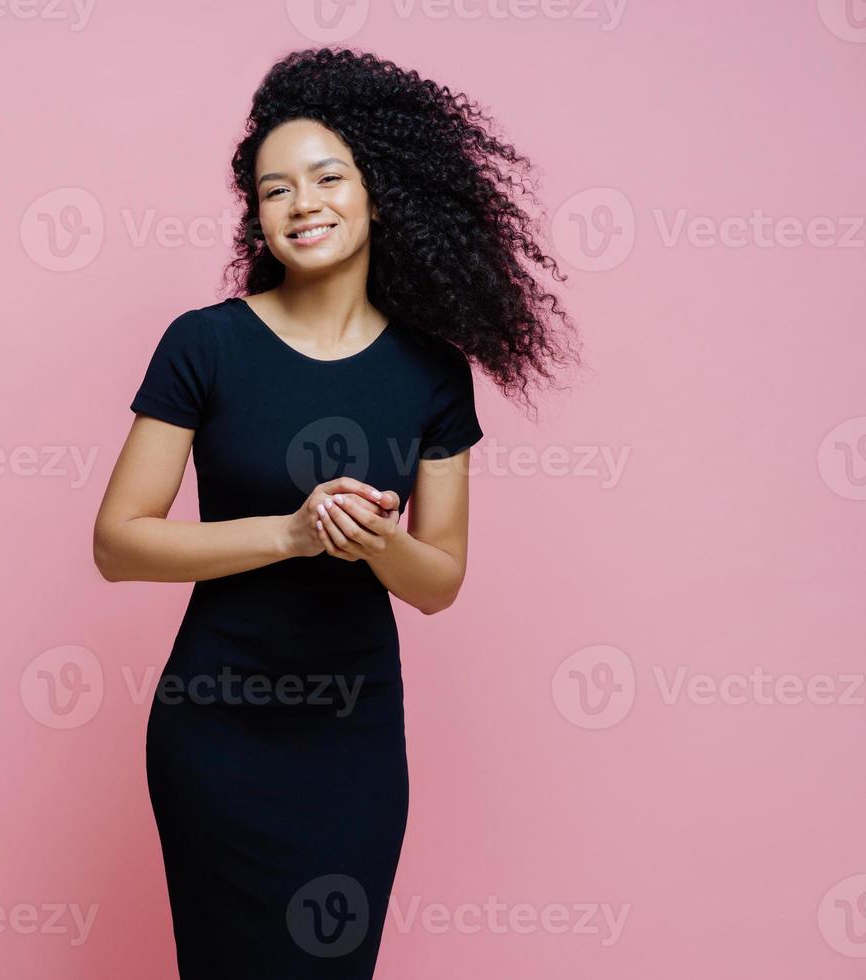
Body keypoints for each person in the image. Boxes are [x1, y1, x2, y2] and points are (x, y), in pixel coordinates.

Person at [92, 47, 580, 977]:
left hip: (350, 736)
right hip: (216, 729)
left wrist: (379, 543)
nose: (302, 203)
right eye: (276, 189)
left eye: (327, 177)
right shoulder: (205, 344)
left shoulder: (433, 371)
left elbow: (438, 582)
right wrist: (292, 531)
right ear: (257, 216)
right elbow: (118, 544)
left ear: (379, 194)